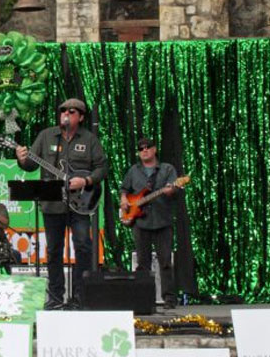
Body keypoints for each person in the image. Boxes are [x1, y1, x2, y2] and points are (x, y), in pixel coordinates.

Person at [15, 98, 108, 310]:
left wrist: (85, 181)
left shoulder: (90, 139)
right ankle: (55, 296)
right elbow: (30, 164)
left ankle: (79, 295)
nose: (66, 114)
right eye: (63, 110)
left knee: (83, 246)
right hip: (52, 203)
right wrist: (22, 158)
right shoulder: (46, 136)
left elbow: (102, 168)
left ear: (81, 117)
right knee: (54, 250)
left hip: (80, 203)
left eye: (71, 111)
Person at [119, 138, 179, 309]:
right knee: (142, 263)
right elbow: (124, 189)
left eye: (147, 148)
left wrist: (171, 190)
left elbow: (173, 189)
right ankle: (143, 298)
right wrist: (124, 200)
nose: (144, 151)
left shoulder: (167, 169)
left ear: (154, 149)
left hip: (162, 220)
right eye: (141, 149)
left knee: (165, 261)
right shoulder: (133, 170)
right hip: (140, 221)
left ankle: (169, 299)